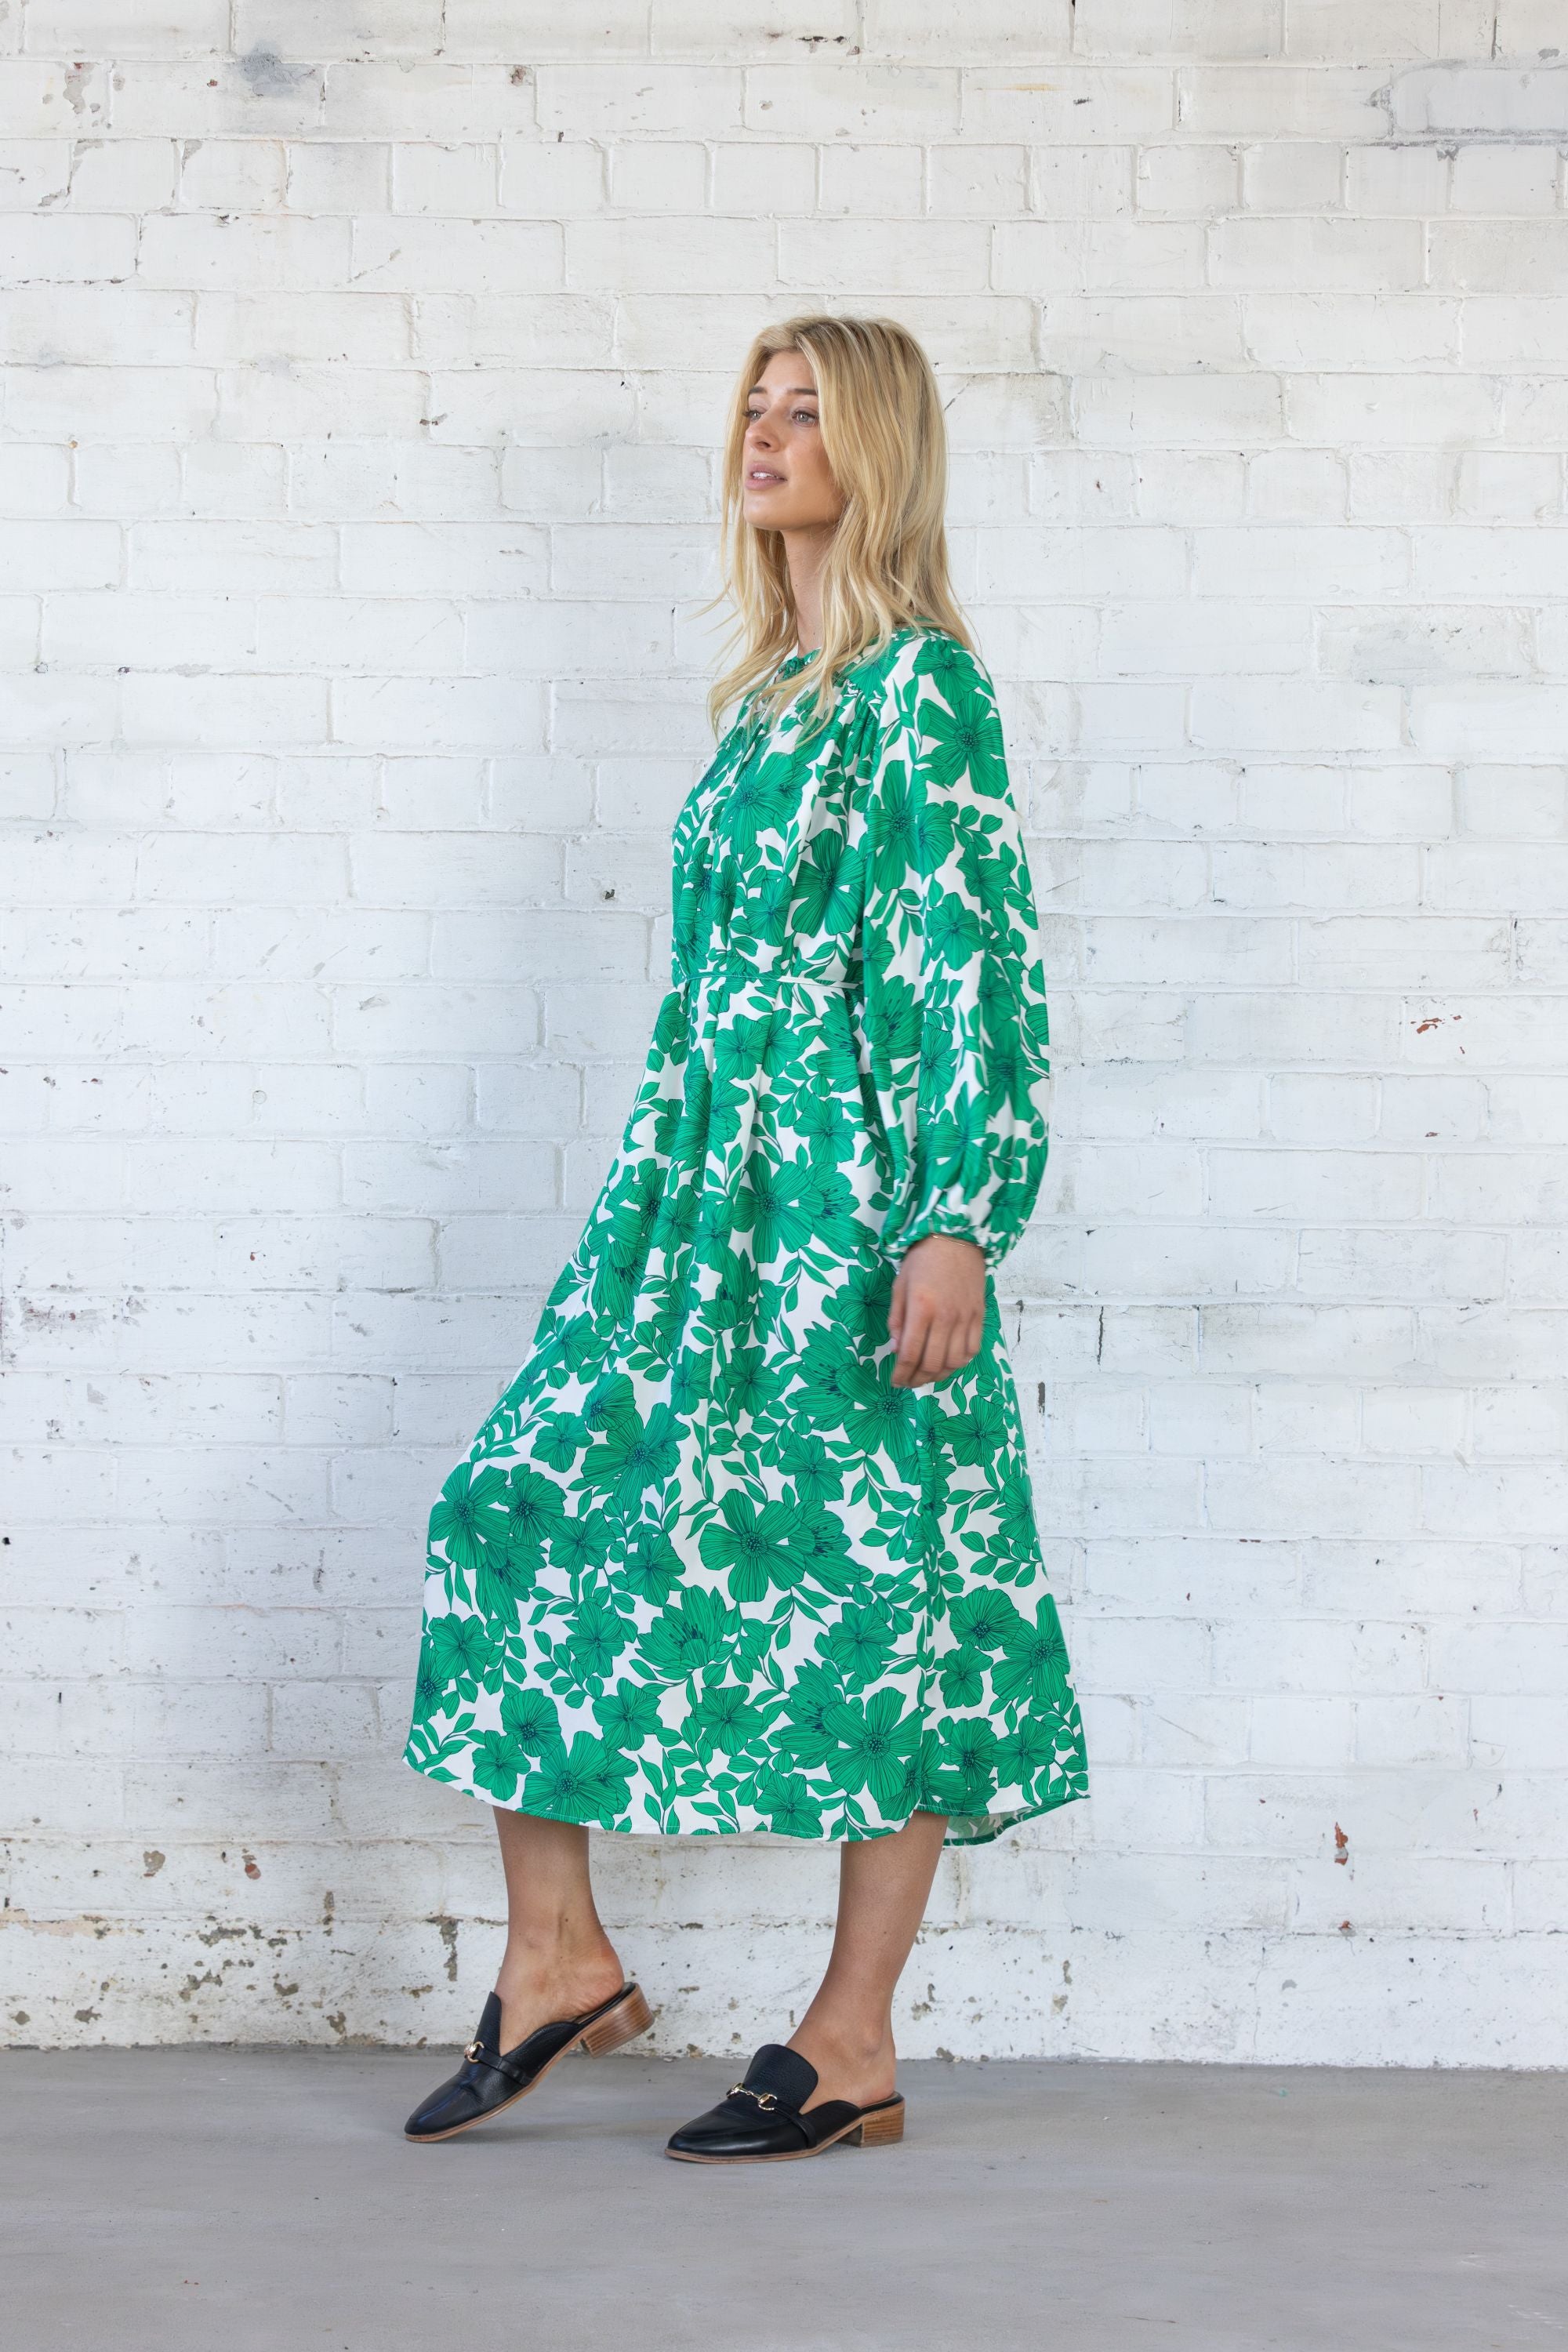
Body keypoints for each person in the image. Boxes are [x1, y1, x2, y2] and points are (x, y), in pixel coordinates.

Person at [401, 313, 1089, 2165]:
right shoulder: (770, 695)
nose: (765, 436)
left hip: (844, 1211)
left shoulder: (917, 687)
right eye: (753, 408)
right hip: (693, 1198)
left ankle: (849, 2037)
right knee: (509, 1499)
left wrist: (956, 1220)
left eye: (806, 413)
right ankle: (559, 1956)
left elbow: (973, 971)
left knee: (903, 1601)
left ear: (875, 449)